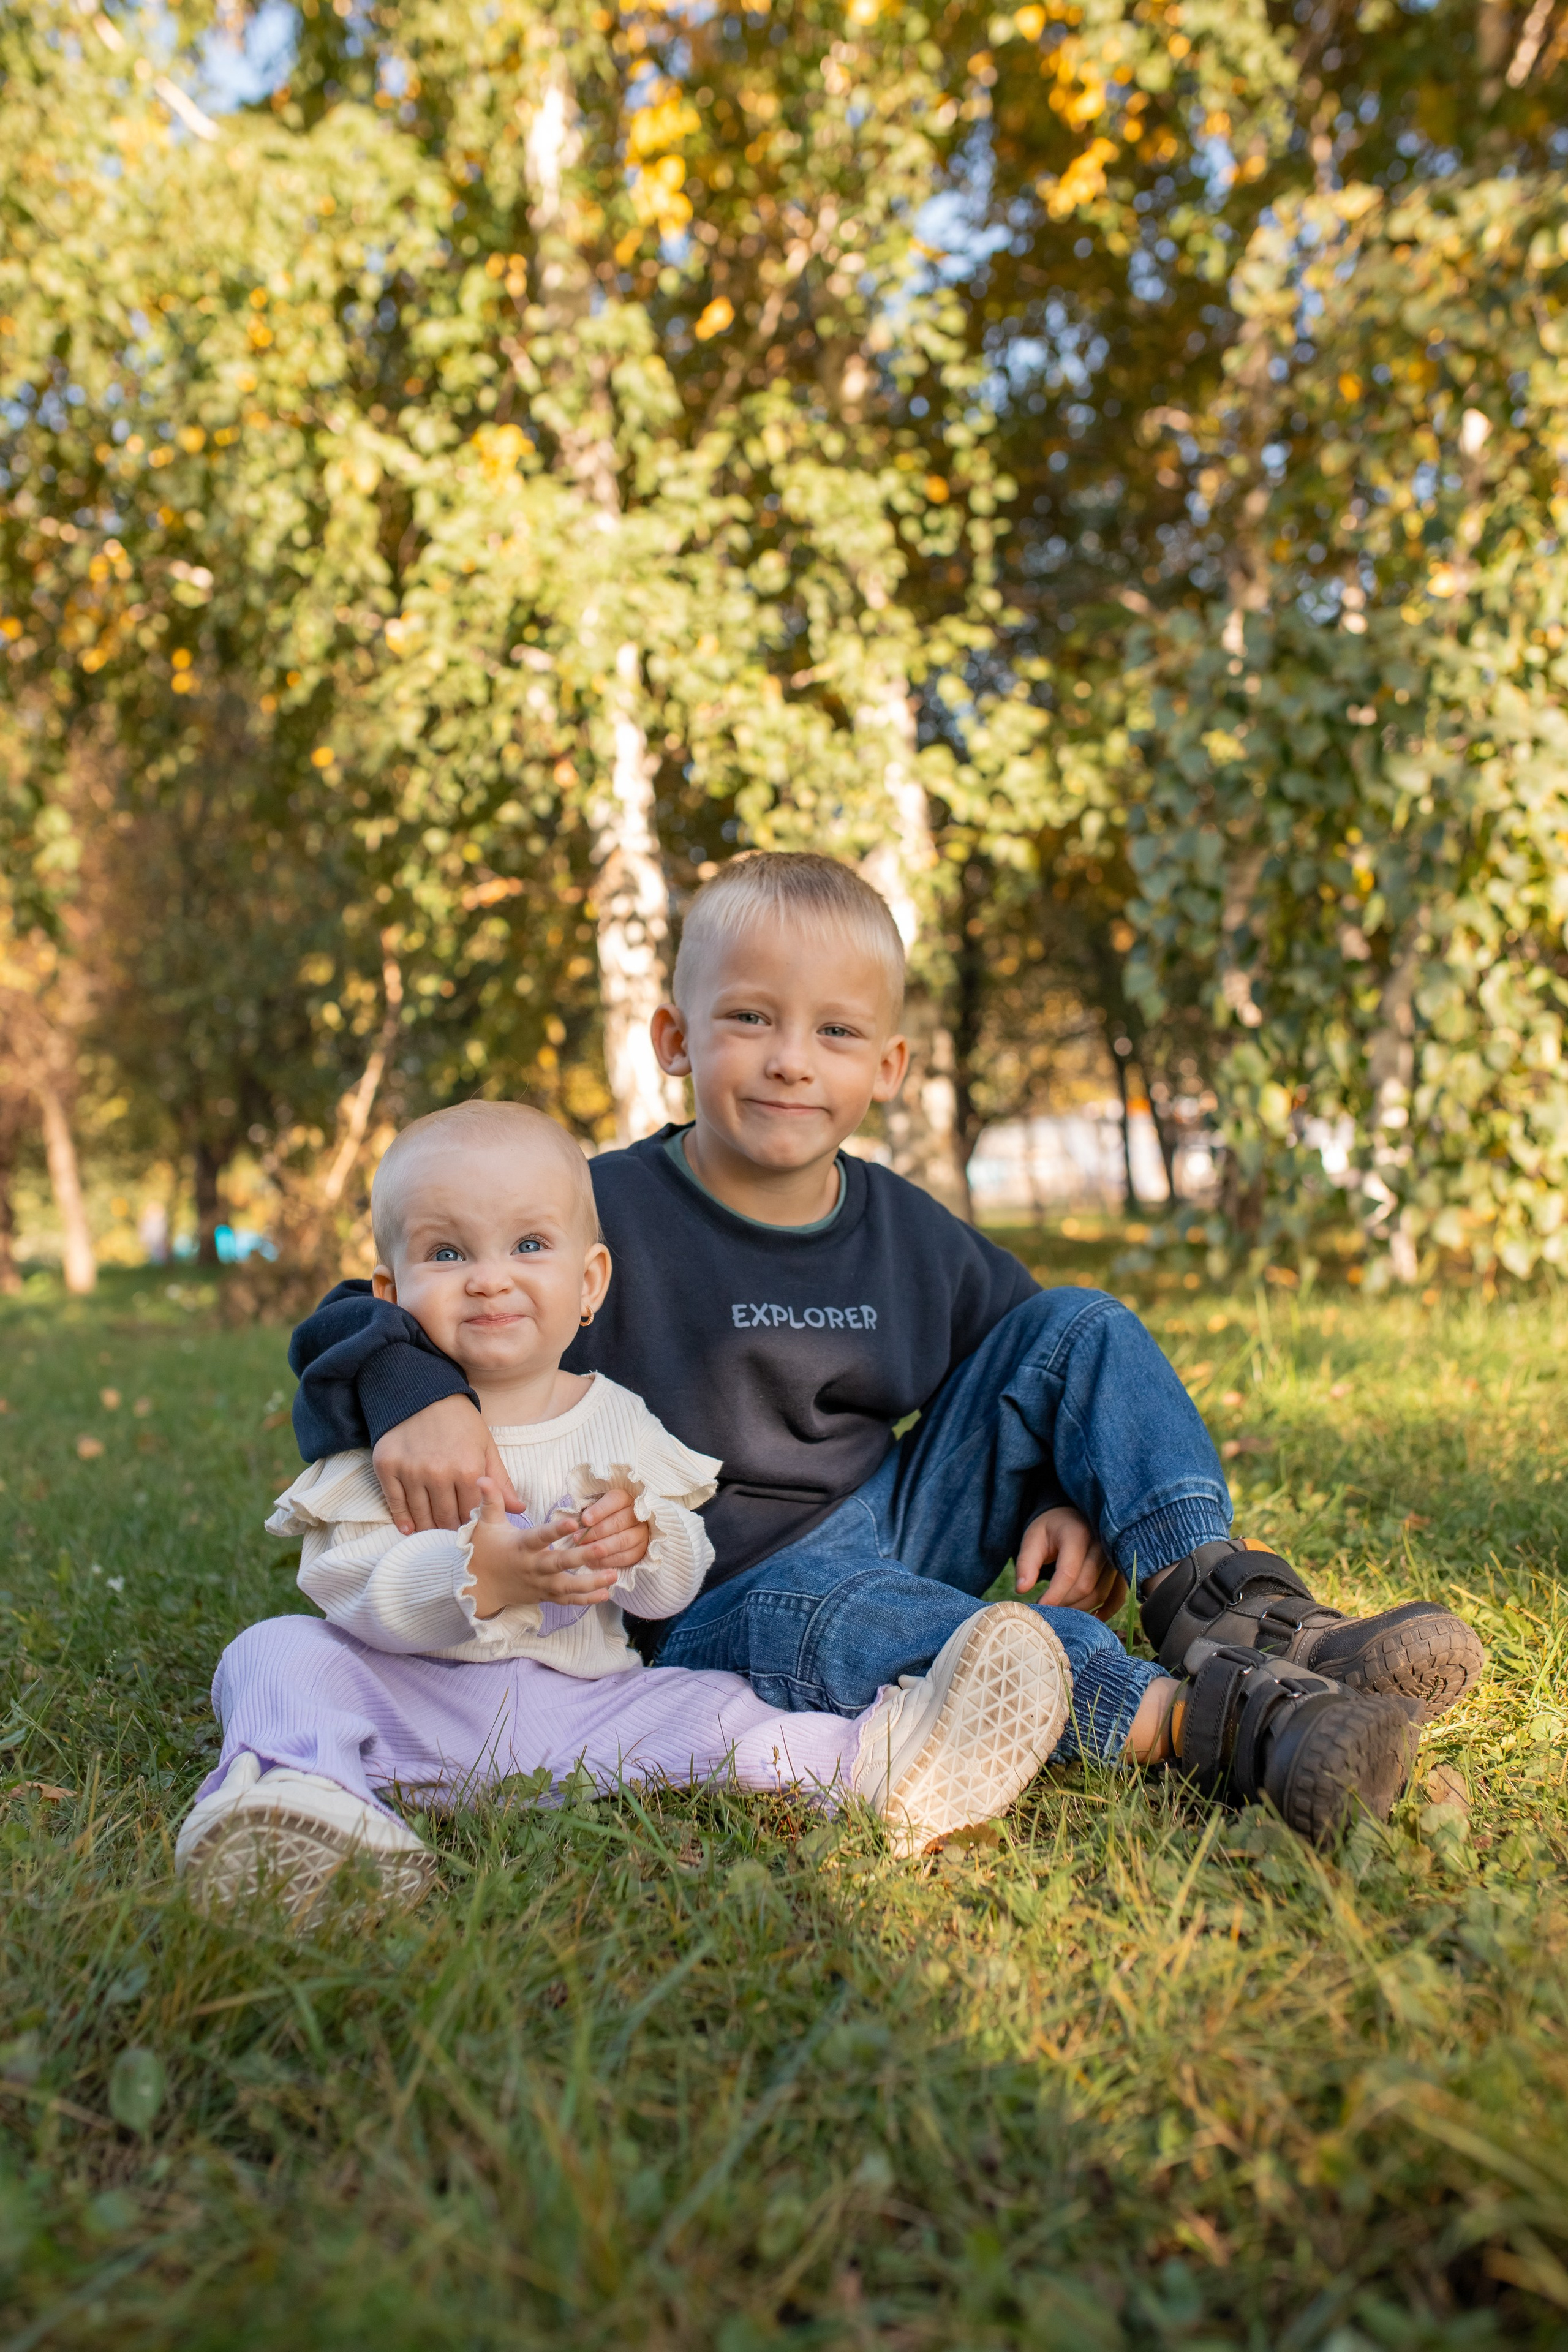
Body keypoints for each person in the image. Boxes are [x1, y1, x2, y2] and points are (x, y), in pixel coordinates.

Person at [287, 853, 1483, 1849]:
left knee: (1080, 1324)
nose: (789, 1058)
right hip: (728, 1590)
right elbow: (373, 1297)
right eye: (748, 1018)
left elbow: (1034, 1360)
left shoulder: (904, 1233)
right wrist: (408, 1392)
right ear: (675, 1037)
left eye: (835, 1031)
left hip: (892, 1514)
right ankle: (1228, 1726)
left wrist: (1068, 1490)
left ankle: (1237, 1609)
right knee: (975, 1643)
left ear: (886, 1066)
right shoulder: (601, 1210)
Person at [176, 1101, 1076, 1918]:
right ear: (390, 1293)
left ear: (592, 1281)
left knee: (718, 1706)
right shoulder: (395, 1429)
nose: (489, 1280)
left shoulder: (617, 1418)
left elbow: (676, 1579)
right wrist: (478, 1576)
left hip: (580, 1709)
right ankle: (311, 1806)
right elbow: (346, 1582)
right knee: (271, 1653)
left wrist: (645, 1542)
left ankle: (881, 1761)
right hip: (407, 1704)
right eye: (448, 1254)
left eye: (529, 1246)